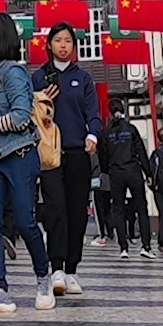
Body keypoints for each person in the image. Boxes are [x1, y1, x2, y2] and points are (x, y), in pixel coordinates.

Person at [0, 12, 51, 311]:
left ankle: (44, 278)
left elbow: (19, 117)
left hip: (19, 155)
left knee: (26, 221)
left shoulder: (14, 72)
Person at [36, 24, 102, 297]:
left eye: (68, 41)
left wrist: (93, 135)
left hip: (77, 153)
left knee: (77, 211)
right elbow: (30, 115)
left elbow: (93, 113)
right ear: (49, 44)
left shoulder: (83, 78)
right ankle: (57, 267)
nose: (63, 45)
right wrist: (41, 101)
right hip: (51, 155)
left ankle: (72, 268)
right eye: (58, 40)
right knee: (55, 211)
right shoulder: (39, 77)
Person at [98, 103, 153, 253]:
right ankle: (146, 246)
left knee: (118, 209)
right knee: (141, 208)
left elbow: (102, 157)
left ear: (110, 112)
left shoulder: (106, 133)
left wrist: (108, 170)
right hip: (133, 171)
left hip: (116, 173)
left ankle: (123, 248)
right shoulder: (131, 129)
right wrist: (148, 173)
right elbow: (141, 151)